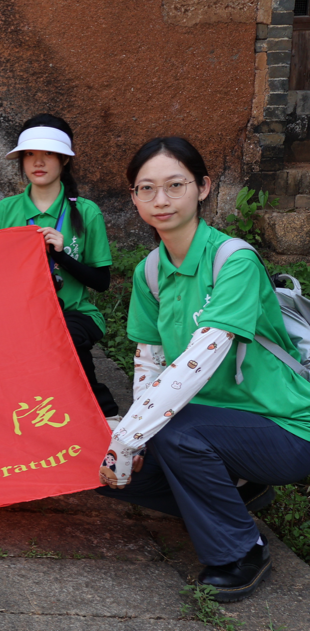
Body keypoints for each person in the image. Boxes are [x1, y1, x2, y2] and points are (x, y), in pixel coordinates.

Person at [99, 136, 310, 602]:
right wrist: (128, 441)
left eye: (175, 185)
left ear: (203, 188)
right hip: (215, 423)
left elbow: (203, 356)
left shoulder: (234, 261)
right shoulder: (150, 270)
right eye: (146, 188)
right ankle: (235, 495)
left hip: (286, 426)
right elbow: (149, 359)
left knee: (174, 432)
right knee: (101, 462)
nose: (161, 199)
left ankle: (243, 551)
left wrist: (130, 436)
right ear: (133, 198)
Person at [0, 114, 119, 422]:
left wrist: (63, 256)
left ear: (64, 159)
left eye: (48, 153)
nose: (38, 162)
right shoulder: (5, 210)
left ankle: (105, 416)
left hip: (76, 314)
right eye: (29, 154)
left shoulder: (86, 212)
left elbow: (101, 282)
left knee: (62, 334)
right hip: (21, 315)